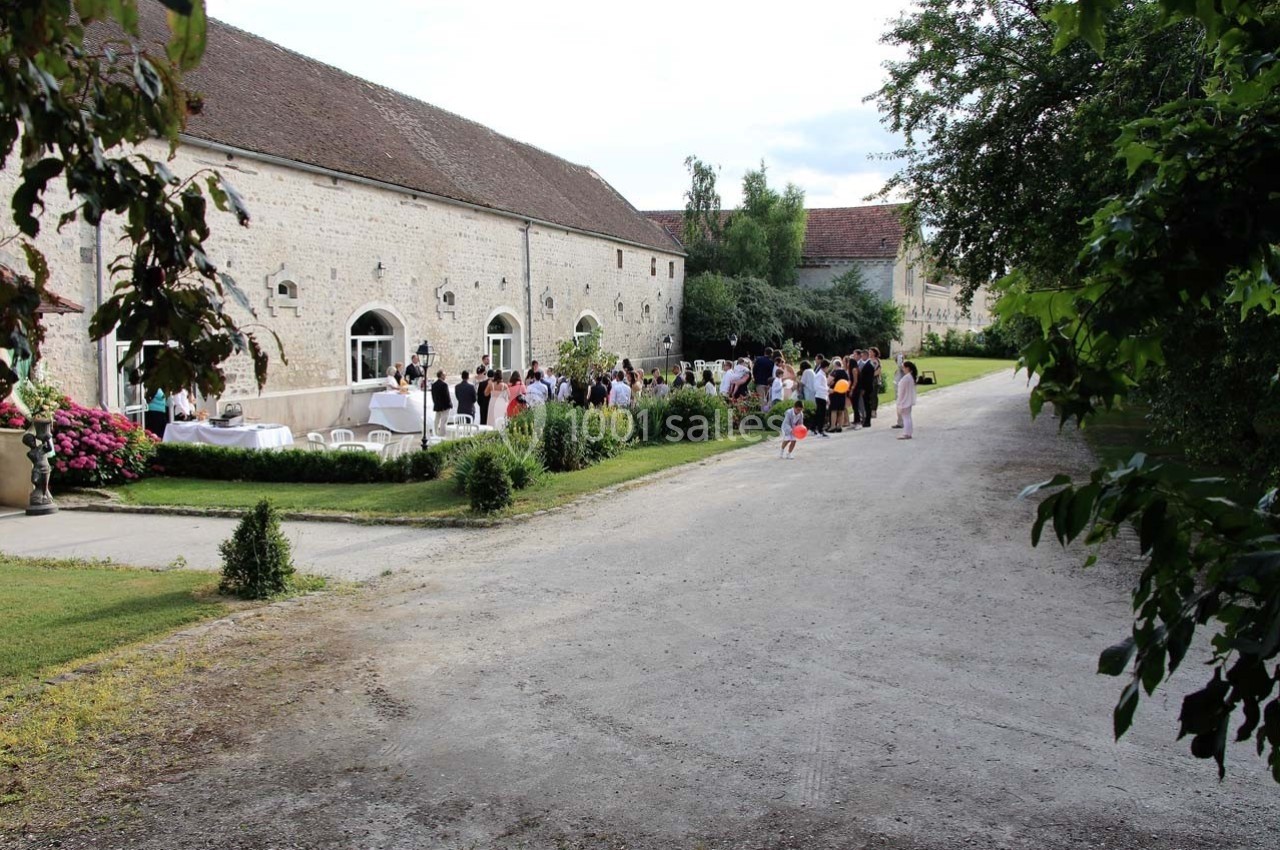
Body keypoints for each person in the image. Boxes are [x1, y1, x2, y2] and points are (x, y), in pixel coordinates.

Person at [897, 360, 918, 440]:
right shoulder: (910, 377)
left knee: (906, 417)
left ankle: (906, 433)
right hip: (908, 399)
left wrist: (899, 401)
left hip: (905, 400)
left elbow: (902, 391)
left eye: (904, 367)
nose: (903, 369)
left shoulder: (906, 378)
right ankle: (908, 432)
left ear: (907, 368)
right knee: (908, 417)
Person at [828, 357, 850, 433]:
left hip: (834, 393)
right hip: (842, 393)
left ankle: (833, 426)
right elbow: (847, 382)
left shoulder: (834, 372)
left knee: (834, 410)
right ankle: (839, 426)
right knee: (841, 410)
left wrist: (830, 385)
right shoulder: (845, 372)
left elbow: (828, 382)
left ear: (835, 365)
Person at [811, 356, 830, 438]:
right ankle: (820, 430)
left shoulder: (822, 374)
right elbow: (817, 386)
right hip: (820, 396)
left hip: (823, 396)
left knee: (820, 413)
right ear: (825, 367)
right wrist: (827, 390)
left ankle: (813, 428)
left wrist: (827, 395)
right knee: (821, 414)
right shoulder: (819, 375)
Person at [857, 350, 877, 429]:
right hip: (867, 387)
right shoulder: (868, 364)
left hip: (867, 388)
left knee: (867, 404)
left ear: (866, 356)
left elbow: (867, 379)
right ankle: (866, 420)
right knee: (866, 404)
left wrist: (863, 389)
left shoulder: (869, 365)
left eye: (862, 356)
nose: (862, 357)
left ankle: (867, 421)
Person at [430, 370, 452, 437]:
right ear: (441, 375)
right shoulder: (444, 385)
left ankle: (435, 432)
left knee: (437, 420)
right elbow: (447, 396)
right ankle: (442, 435)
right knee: (443, 421)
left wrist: (436, 403)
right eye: (444, 375)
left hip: (437, 405)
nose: (445, 376)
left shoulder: (434, 385)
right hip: (445, 406)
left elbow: (433, 396)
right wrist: (449, 404)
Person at [893, 352, 907, 429]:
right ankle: (900, 421)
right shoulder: (898, 370)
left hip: (901, 390)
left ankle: (902, 422)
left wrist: (900, 357)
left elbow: (900, 365)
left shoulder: (902, 368)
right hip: (898, 390)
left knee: (901, 407)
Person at [869, 347, 883, 419]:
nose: (869, 353)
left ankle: (873, 411)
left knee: (874, 396)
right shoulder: (868, 361)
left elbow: (878, 371)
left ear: (874, 353)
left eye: (871, 352)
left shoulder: (876, 361)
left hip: (874, 380)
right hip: (868, 380)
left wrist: (870, 375)